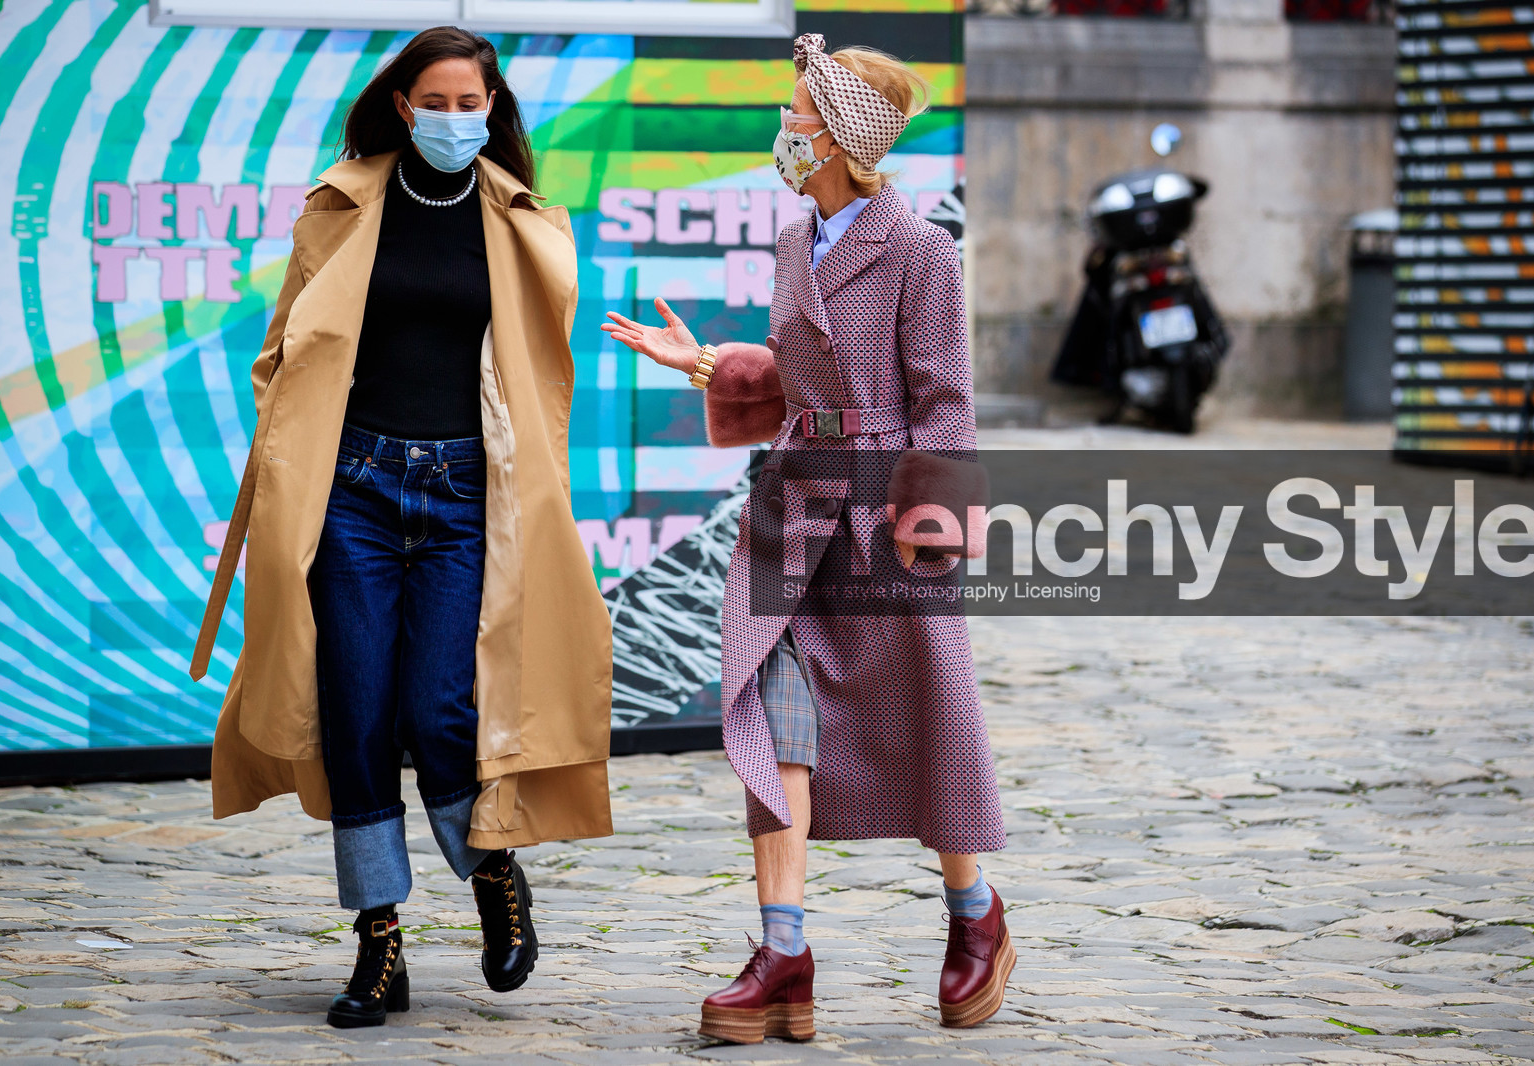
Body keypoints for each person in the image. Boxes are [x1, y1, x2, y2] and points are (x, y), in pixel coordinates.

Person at [190, 26, 613, 1029]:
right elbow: (281, 348)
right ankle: (379, 940)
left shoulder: (524, 222)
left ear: (494, 110)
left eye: (473, 106)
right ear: (400, 104)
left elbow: (536, 376)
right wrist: (296, 452)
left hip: (470, 493)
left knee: (438, 709)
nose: (454, 122)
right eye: (438, 102)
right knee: (356, 710)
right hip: (356, 491)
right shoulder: (339, 207)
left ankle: (491, 871)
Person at [602, 33, 1012, 1044]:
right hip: (794, 508)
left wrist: (931, 543)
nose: (780, 129)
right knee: (771, 712)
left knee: (929, 717)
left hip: (886, 513)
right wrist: (701, 363)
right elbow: (800, 380)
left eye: (794, 116)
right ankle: (782, 951)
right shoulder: (798, 240)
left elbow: (945, 404)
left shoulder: (920, 248)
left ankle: (975, 914)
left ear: (833, 138)